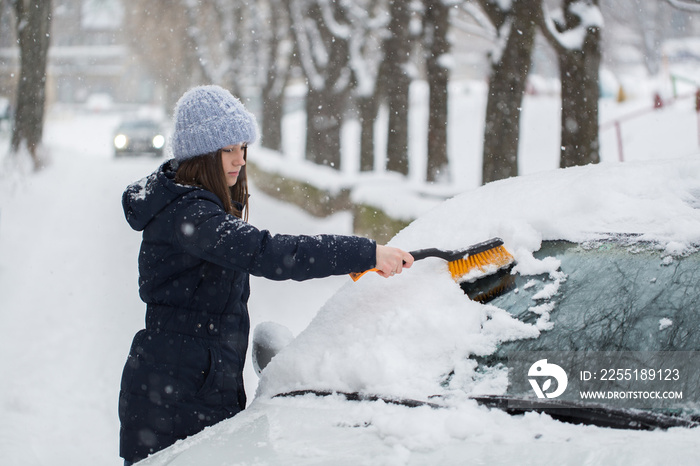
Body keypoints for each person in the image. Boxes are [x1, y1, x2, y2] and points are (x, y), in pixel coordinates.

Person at [118, 85, 413, 465]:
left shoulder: (190, 204)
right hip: (175, 397)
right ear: (200, 153)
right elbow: (271, 253)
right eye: (228, 149)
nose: (239, 160)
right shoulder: (190, 215)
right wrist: (366, 253)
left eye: (243, 148)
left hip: (190, 383)